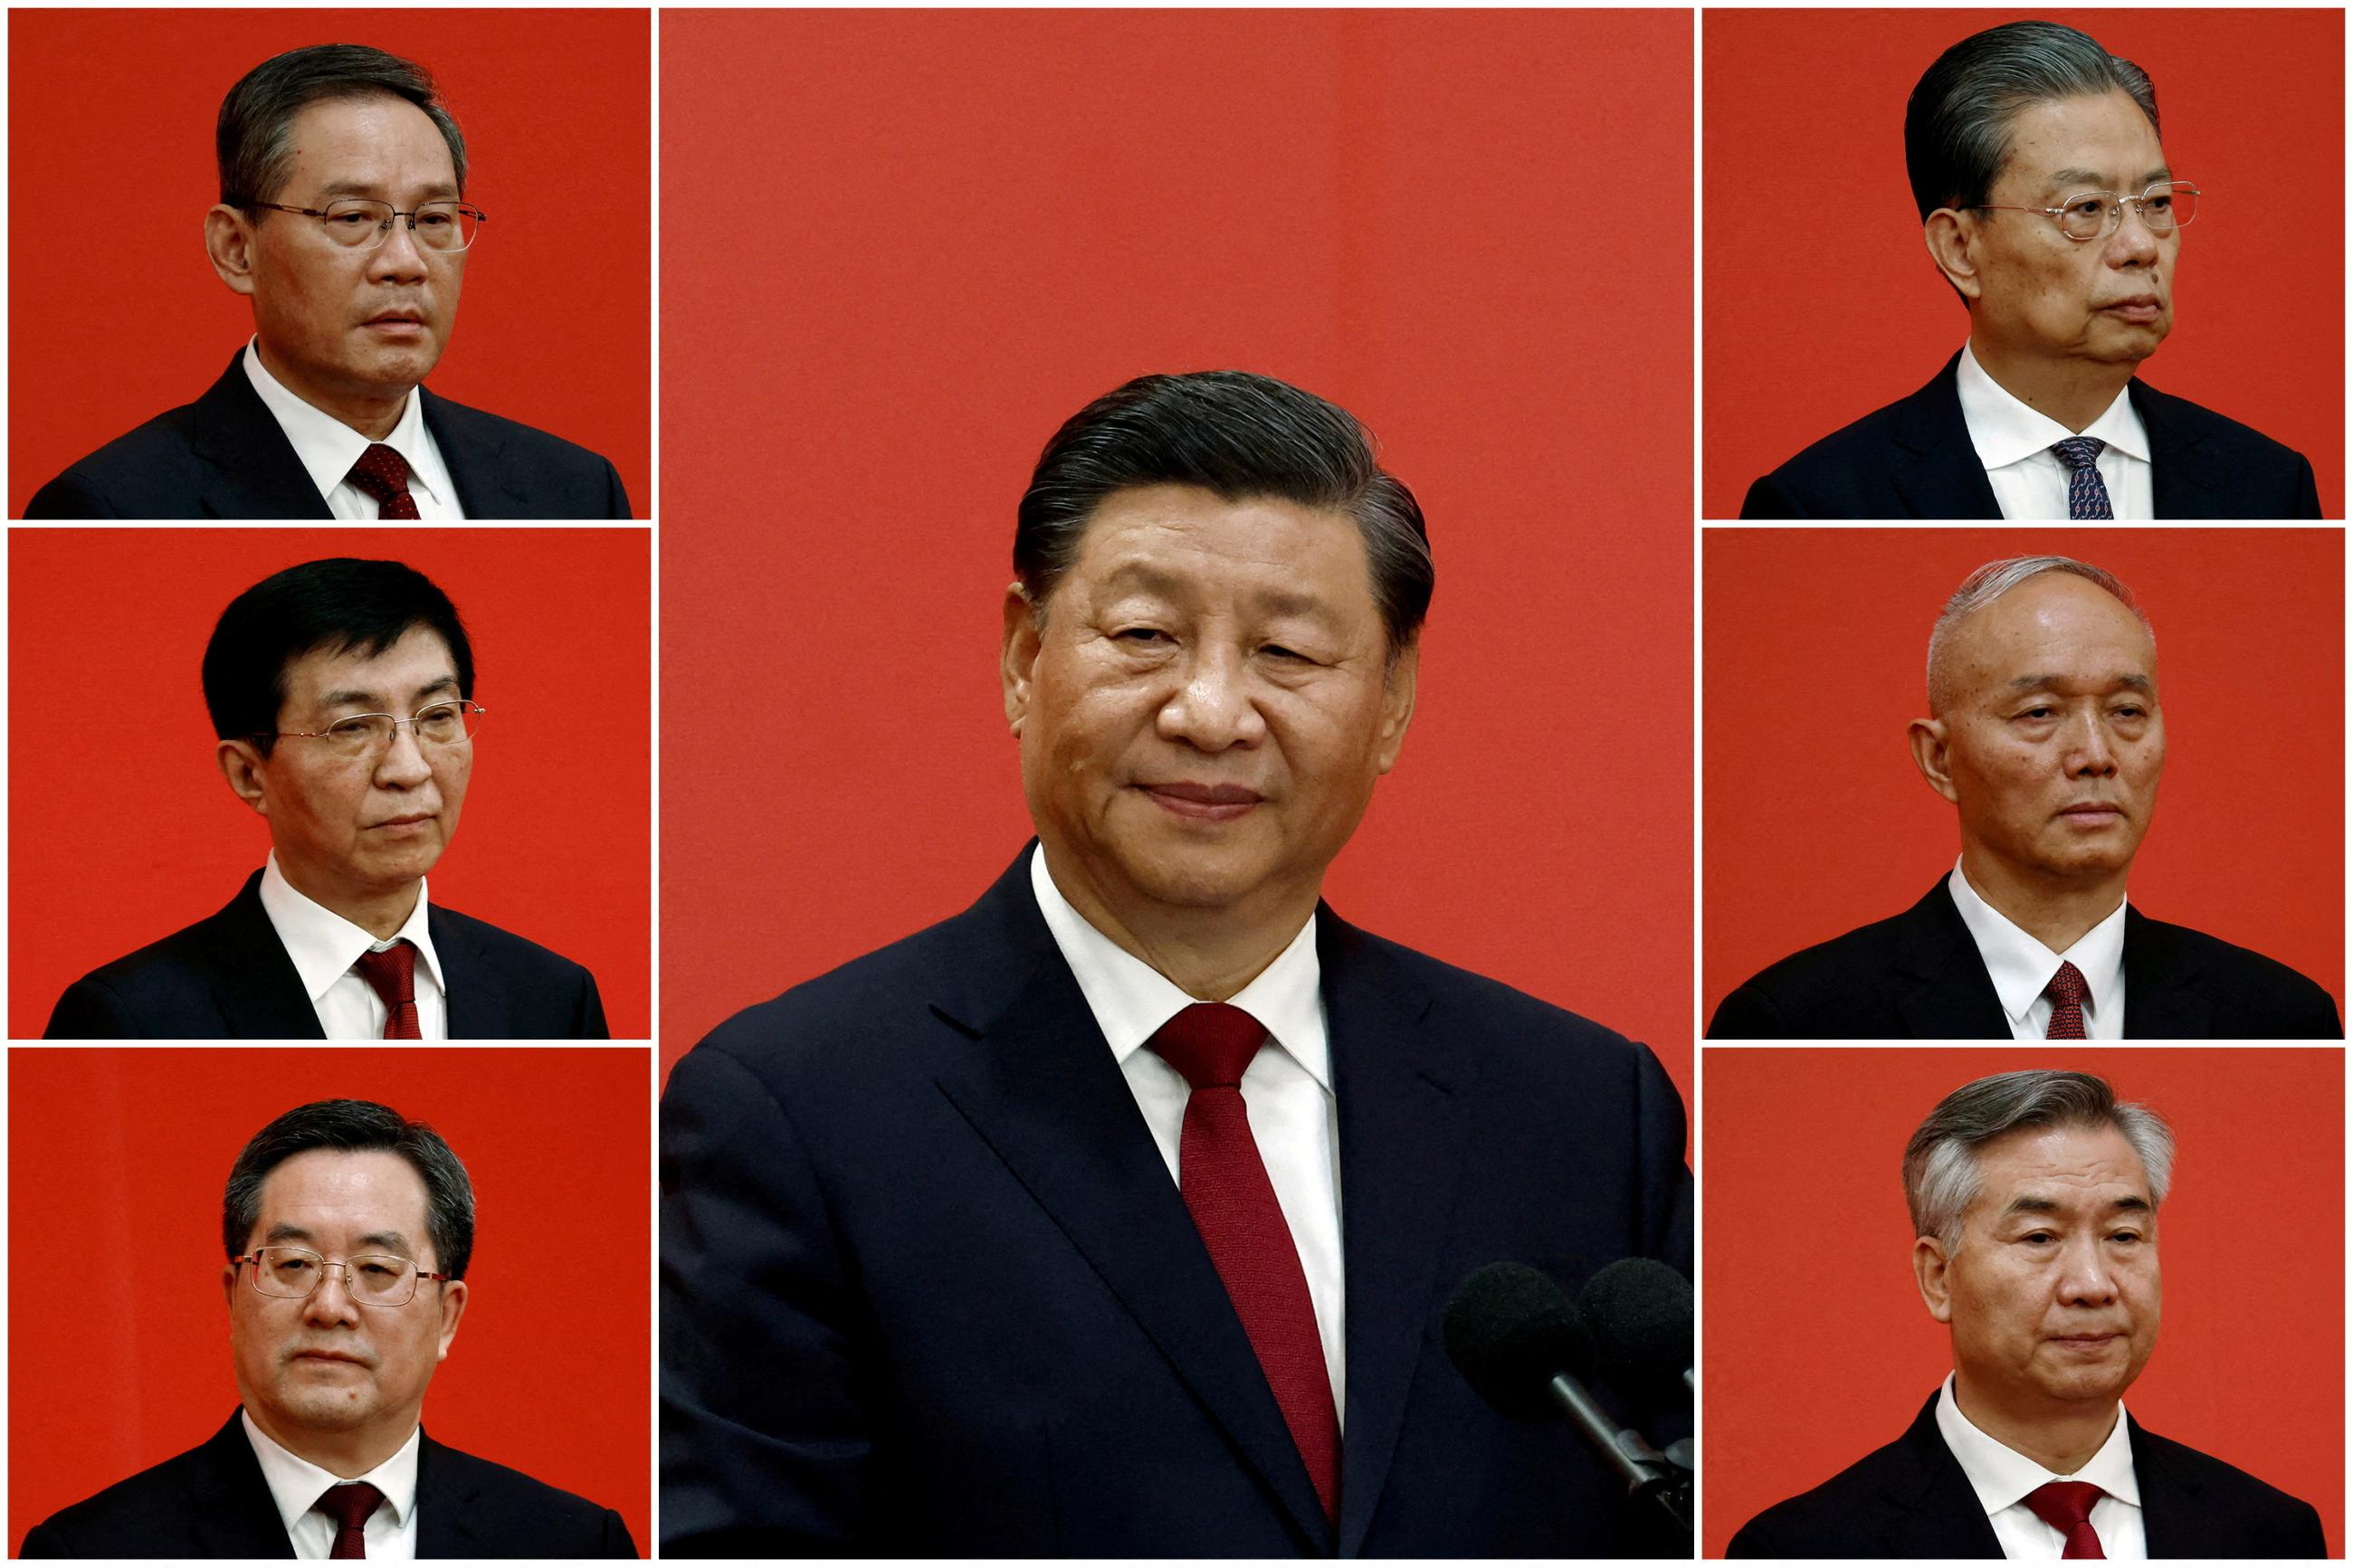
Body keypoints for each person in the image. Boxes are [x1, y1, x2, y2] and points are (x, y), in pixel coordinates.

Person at [661, 370, 1692, 1555]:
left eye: (1288, 652)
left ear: (1394, 701)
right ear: (1022, 656)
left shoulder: (1578, 1112)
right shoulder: (799, 1114)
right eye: (1146, 636)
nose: (1211, 712)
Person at [1710, 556, 2339, 1039]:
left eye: (2127, 710)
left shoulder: (2281, 1014)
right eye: (2040, 712)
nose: (2096, 753)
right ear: (1939, 758)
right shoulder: (1798, 1017)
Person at [1729, 1069, 2326, 1557]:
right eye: (2040, 1237)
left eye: (2123, 1235)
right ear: (1938, 1276)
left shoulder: (2271, 1532)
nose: (2093, 1285)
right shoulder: (1805, 1546)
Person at [1741, 20, 2321, 520]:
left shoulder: (2269, 484)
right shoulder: (1820, 502)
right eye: (2086, 209)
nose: (2141, 246)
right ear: (1961, 249)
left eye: (2157, 203)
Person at [24, 44, 630, 519]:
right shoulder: (114, 505)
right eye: (352, 218)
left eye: (434, 220)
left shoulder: (575, 488)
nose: (405, 261)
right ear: (237, 249)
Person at [21, 1098, 636, 1557]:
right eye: (293, 1264)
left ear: (448, 1314)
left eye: (376, 1268)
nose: (330, 1305)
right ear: (235, 1298)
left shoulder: (572, 1542)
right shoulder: (89, 1549)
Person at [45, 557, 608, 1039]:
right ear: (248, 774)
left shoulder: (553, 996)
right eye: (351, 728)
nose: (408, 769)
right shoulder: (130, 1017)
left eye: (437, 717)